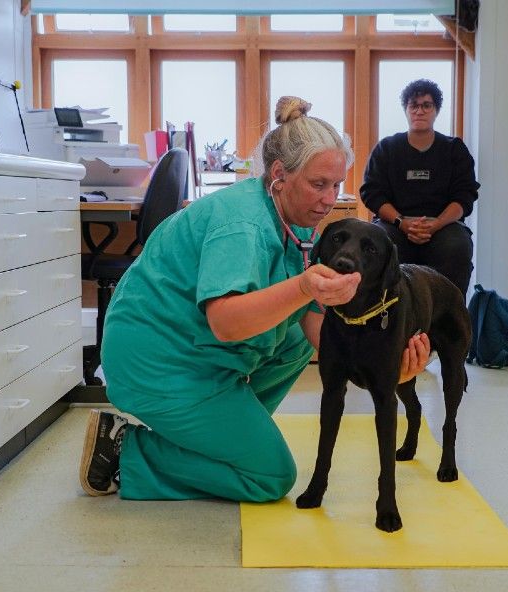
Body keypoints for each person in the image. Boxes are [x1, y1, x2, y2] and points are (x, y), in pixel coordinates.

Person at [79, 96, 431, 503]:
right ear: (279, 174)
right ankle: (124, 451)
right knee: (269, 476)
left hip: (196, 355)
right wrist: (303, 288)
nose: (329, 198)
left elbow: (323, 337)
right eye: (318, 184)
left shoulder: (300, 226)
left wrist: (389, 371)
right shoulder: (242, 225)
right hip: (155, 362)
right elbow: (226, 323)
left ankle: (219, 435)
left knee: (304, 336)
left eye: (336, 184)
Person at [360, 78, 480, 295]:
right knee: (377, 241)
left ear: (436, 110)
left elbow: (465, 195)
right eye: (413, 105)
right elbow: (372, 193)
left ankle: (447, 319)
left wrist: (437, 224)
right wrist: (402, 222)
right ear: (406, 110)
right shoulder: (387, 148)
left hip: (443, 226)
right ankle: (386, 317)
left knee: (457, 246)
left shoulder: (454, 150)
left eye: (427, 105)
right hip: (395, 224)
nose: (420, 111)